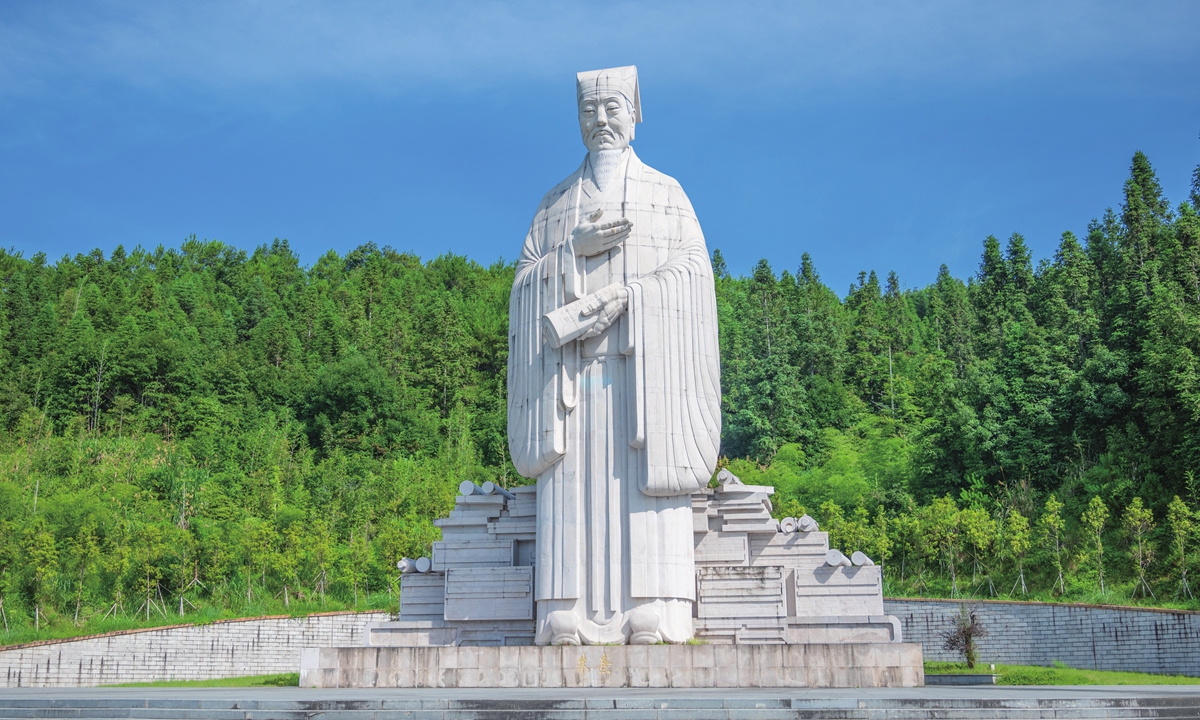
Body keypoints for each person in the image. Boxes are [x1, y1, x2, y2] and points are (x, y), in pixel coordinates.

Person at [507, 66, 721, 645]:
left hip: (643, 373)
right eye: (590, 110)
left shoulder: (666, 193)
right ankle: (562, 608)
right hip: (571, 385)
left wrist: (631, 297)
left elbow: (693, 273)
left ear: (635, 114)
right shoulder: (553, 207)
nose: (601, 120)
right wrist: (568, 255)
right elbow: (523, 284)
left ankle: (656, 605)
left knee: (647, 479)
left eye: (613, 107)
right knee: (569, 480)